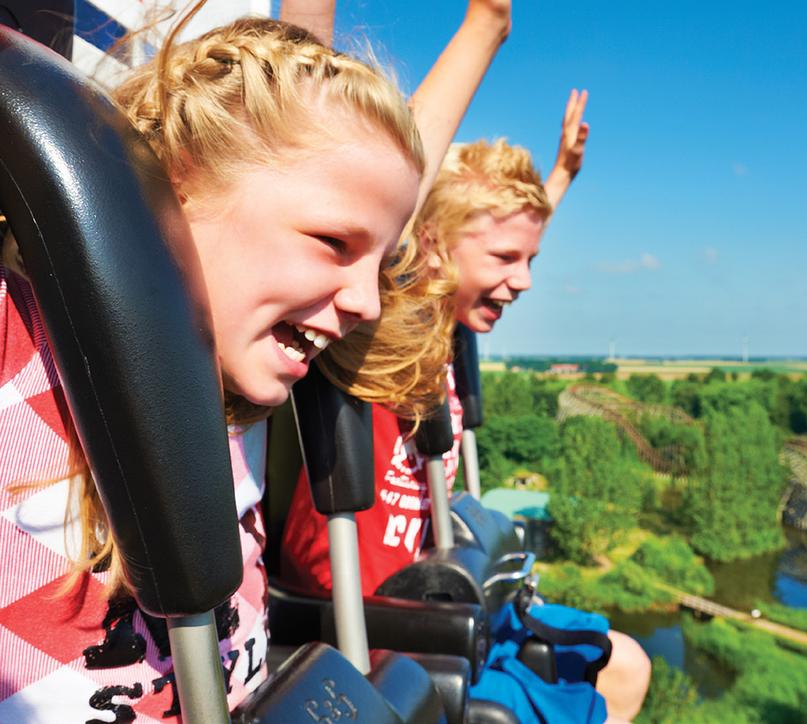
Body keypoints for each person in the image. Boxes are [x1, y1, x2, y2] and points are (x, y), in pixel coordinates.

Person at [0, 3, 496, 718]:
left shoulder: (238, 403)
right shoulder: (18, 342)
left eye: (380, 263)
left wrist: (487, 28)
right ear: (177, 185)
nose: (367, 303)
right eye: (334, 242)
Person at [282, 90, 654, 723]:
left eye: (530, 259)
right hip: (379, 632)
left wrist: (559, 175)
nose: (525, 279)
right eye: (507, 259)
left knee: (626, 664)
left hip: (442, 603)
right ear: (426, 244)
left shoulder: (452, 331)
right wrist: (485, 25)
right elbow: (425, 209)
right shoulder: (383, 327)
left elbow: (479, 238)